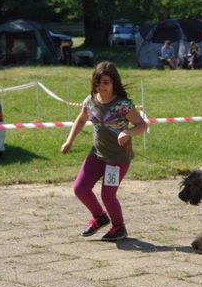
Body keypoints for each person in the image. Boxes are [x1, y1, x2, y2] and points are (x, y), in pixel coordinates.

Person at [61, 61, 148, 241]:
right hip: (97, 154)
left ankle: (119, 227)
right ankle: (100, 217)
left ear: (114, 82)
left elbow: (142, 125)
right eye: (97, 82)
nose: (101, 87)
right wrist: (69, 140)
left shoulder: (123, 105)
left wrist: (128, 132)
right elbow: (80, 120)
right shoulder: (90, 101)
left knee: (108, 194)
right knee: (80, 188)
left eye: (106, 82)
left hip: (117, 158)